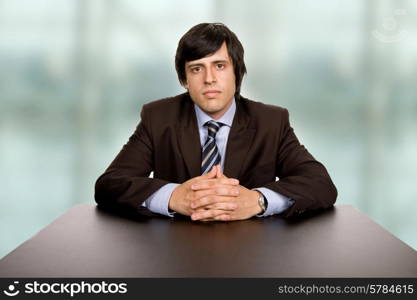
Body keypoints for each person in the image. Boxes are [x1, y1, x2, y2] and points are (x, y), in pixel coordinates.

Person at [94, 23, 337, 221]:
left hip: (253, 252)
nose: (209, 79)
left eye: (219, 66)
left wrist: (257, 201)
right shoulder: (159, 117)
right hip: (173, 251)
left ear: (236, 73)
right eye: (197, 69)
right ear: (185, 80)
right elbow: (109, 184)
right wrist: (173, 197)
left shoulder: (271, 122)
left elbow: (320, 184)